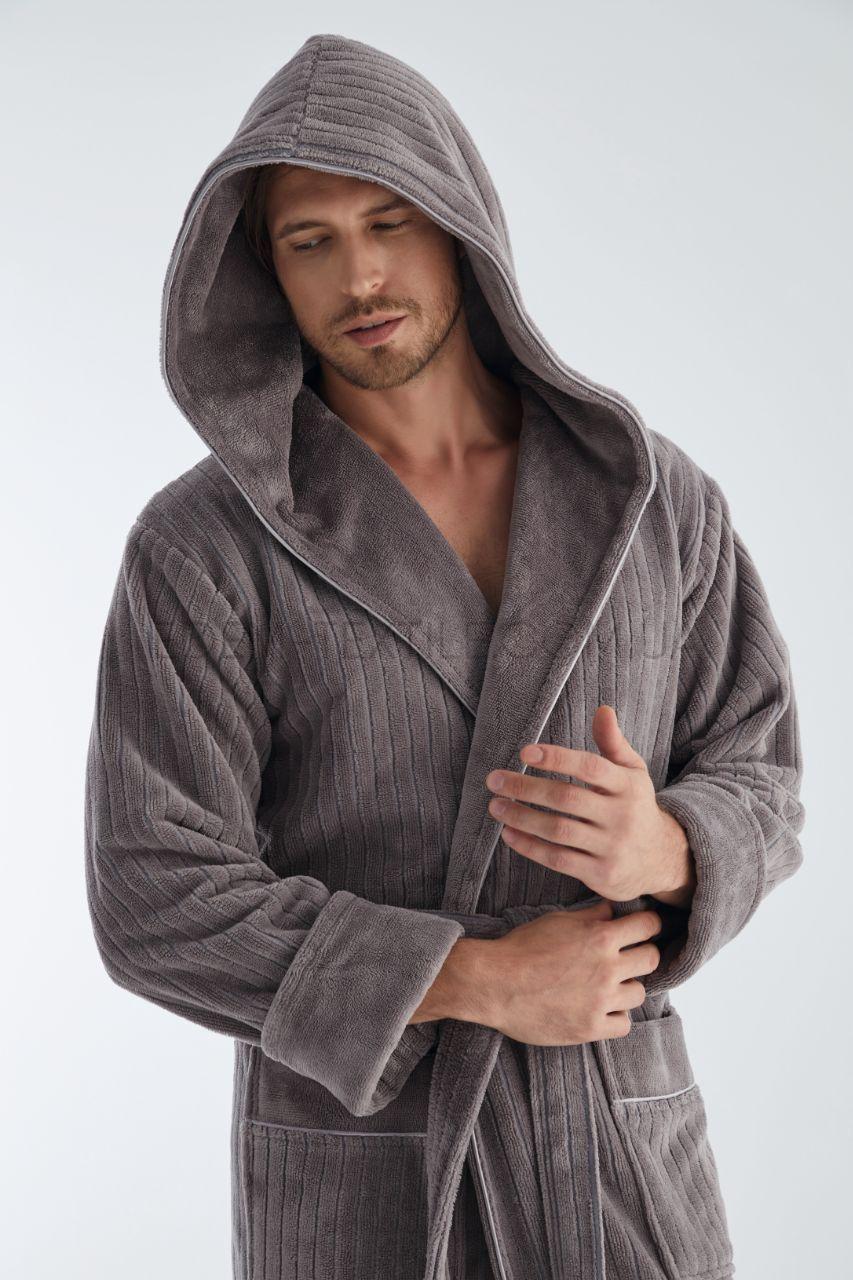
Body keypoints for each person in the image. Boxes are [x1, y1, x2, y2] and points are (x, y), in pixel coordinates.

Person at [84, 32, 805, 1280]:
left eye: (391, 222)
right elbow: (155, 892)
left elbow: (763, 770)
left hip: (616, 1157)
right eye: (309, 241)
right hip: (364, 1173)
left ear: (460, 222)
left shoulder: (647, 496)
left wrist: (668, 848)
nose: (361, 275)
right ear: (264, 267)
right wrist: (472, 978)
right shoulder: (202, 547)